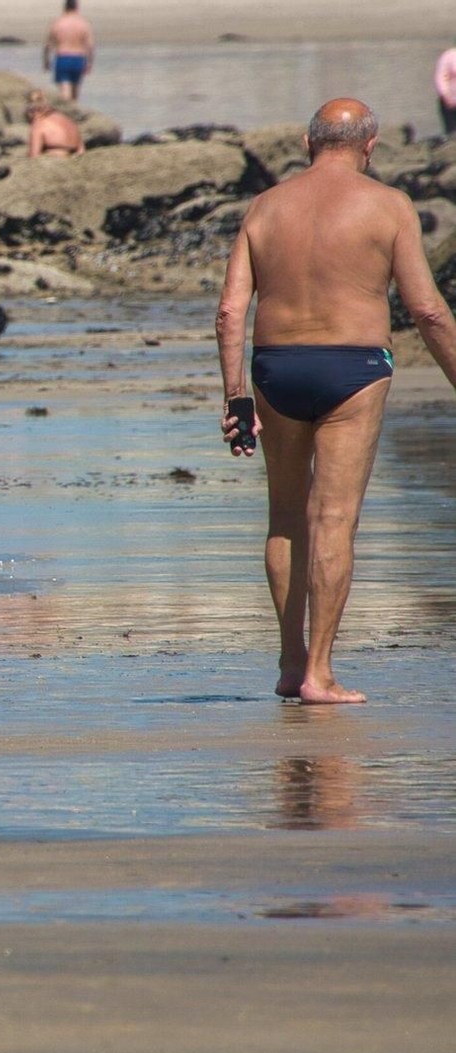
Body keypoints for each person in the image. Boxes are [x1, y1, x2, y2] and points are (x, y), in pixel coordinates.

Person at [216, 99, 456, 704]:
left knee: (286, 518)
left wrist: (236, 397)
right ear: (370, 146)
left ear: (306, 142)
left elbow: (228, 313)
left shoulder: (265, 207)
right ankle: (320, 674)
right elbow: (427, 311)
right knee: (335, 520)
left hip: (274, 369)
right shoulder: (390, 206)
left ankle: (290, 662)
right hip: (353, 368)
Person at [43, 0, 94, 102]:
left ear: (64, 8)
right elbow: (90, 46)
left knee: (65, 91)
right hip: (79, 58)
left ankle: (67, 112)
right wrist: (89, 63)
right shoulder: (83, 24)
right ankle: (74, 113)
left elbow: (48, 45)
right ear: (77, 8)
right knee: (75, 93)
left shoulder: (58, 23)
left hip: (63, 57)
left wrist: (46, 61)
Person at [25, 90, 84, 157]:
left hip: (55, 157)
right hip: (74, 156)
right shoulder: (68, 120)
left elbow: (34, 154)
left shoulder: (39, 125)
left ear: (32, 111)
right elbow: (81, 150)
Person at [436, 39, 456, 136]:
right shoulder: (449, 56)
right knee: (451, 131)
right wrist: (445, 96)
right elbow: (440, 78)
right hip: (450, 101)